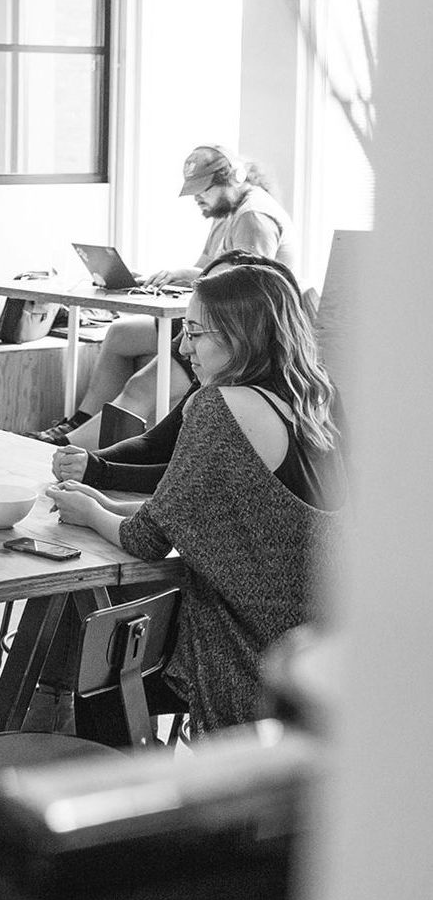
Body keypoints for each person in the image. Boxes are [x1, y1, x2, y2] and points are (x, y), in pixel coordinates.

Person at [46, 267, 345, 739]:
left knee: (97, 672)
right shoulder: (305, 403)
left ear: (239, 336)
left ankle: (130, 802)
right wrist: (102, 502)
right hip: (314, 648)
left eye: (194, 333)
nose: (184, 349)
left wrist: (91, 514)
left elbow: (146, 539)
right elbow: (195, 514)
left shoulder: (219, 405)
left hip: (250, 657)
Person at [28, 144, 296, 447]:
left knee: (140, 386)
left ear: (232, 178)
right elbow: (205, 270)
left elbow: (245, 290)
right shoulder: (226, 214)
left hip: (235, 333)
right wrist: (162, 280)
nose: (198, 198)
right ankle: (79, 422)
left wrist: (187, 275)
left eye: (204, 190)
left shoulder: (254, 217)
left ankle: (74, 449)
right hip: (211, 322)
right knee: (119, 334)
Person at [51, 252, 304, 494]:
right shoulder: (231, 378)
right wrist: (87, 461)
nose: (183, 348)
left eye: (196, 331)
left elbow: (178, 491)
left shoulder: (236, 402)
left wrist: (96, 473)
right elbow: (158, 445)